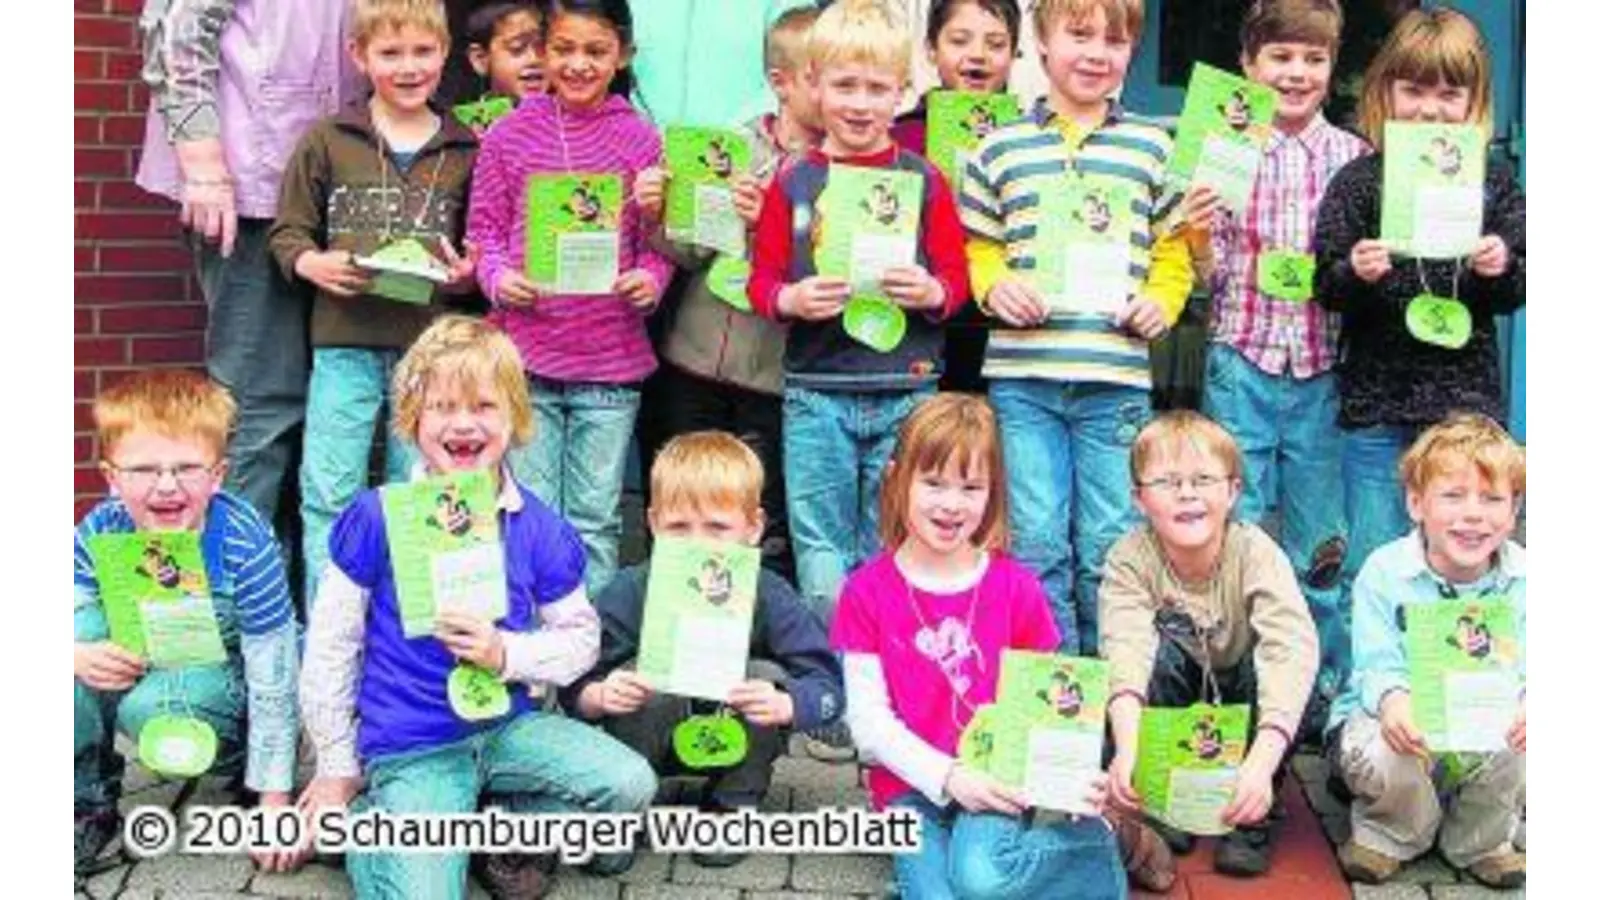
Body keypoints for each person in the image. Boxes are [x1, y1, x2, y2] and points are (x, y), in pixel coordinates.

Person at [297, 315, 657, 899]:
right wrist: (337, 764)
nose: (463, 423)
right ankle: (371, 830)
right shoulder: (377, 516)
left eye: (485, 407)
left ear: (516, 419)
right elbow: (332, 643)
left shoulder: (539, 526)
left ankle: (488, 831)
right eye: (442, 407)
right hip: (415, 745)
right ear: (413, 422)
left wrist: (506, 653)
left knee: (630, 787)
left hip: (508, 729)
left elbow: (579, 638)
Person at [958, 0, 1193, 654]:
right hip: (1023, 381)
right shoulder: (997, 147)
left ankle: (1114, 691)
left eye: (1114, 41)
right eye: (1079, 34)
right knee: (1034, 543)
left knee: (1109, 544)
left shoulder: (1154, 147)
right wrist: (994, 285)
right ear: (1039, 40)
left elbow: (1174, 249)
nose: (1096, 53)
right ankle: (1051, 699)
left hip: (1112, 380)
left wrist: (1161, 301)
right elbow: (980, 244)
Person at [832, 393, 1124, 897]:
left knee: (982, 881)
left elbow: (1051, 704)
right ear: (896, 478)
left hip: (998, 775)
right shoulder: (865, 591)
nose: (951, 504)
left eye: (971, 487)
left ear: (993, 494)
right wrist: (948, 778)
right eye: (933, 483)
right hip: (908, 789)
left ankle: (1093, 851)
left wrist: (1074, 777)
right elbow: (869, 725)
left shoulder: (1016, 588)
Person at [747, 0, 971, 624]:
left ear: (903, 91)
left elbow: (957, 280)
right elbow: (760, 281)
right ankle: (830, 685)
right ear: (813, 84)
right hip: (817, 392)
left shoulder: (925, 181)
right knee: (820, 549)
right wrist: (790, 299)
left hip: (908, 389)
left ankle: (882, 675)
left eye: (877, 88)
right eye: (844, 85)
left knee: (893, 543)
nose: (860, 103)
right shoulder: (792, 182)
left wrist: (930, 292)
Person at [1181, 0, 1370, 724]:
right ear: (1249, 64)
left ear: (1331, 67)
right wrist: (1197, 237)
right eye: (1280, 57)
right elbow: (1207, 280)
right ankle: (1237, 688)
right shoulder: (1223, 149)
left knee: (1321, 540)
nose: (1296, 73)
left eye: (1312, 59)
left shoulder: (1353, 158)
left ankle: (1315, 698)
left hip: (1322, 366)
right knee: (1237, 528)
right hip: (1243, 359)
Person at [268, 0, 479, 609]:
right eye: (391, 53)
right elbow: (287, 232)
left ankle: (403, 625)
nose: (408, 67)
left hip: (430, 356)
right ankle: (331, 627)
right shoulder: (330, 140)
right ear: (359, 56)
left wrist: (467, 277)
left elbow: (483, 247)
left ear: (444, 54)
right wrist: (311, 263)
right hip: (343, 345)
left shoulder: (467, 147)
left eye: (422, 51)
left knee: (417, 490)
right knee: (330, 490)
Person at [466, 0, 675, 596]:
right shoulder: (509, 134)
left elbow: (659, 244)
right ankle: (533, 651)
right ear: (543, 51)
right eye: (564, 49)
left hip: (610, 366)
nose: (578, 64)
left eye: (595, 51)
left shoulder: (641, 139)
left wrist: (652, 279)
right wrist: (499, 278)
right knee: (529, 514)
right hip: (526, 360)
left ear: (623, 56)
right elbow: (483, 231)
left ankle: (593, 656)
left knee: (596, 520)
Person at [563, 431, 844, 869]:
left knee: (765, 676)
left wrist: (788, 703)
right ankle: (631, 801)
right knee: (638, 671)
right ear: (653, 524)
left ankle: (732, 803)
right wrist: (596, 696)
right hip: (649, 734)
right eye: (679, 527)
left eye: (717, 527)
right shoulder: (631, 589)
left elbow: (828, 685)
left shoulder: (770, 594)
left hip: (734, 729)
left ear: (753, 528)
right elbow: (575, 675)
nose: (698, 543)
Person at [1312, 5, 1525, 578]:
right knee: (1375, 558)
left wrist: (1499, 264)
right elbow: (1325, 284)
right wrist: (1355, 270)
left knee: (1462, 554)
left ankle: (1451, 668)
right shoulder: (1359, 180)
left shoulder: (1493, 182)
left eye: (1449, 93)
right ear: (1386, 92)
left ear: (1475, 103)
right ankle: (1373, 669)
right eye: (1413, 90)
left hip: (1463, 407)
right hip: (1376, 403)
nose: (1430, 107)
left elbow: (1520, 287)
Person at [135, 0, 355, 531]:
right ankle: (238, 588)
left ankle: (298, 593)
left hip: (336, 184)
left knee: (332, 408)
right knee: (260, 403)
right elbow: (180, 32)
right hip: (248, 186)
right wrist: (203, 164)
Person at [74, 371, 299, 878]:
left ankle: (239, 763)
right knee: (73, 635)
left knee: (154, 712)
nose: (167, 485)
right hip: (144, 656)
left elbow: (274, 671)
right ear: (111, 477)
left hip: (223, 674)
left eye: (186, 468)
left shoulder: (244, 541)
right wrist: (75, 655)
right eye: (145, 469)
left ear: (218, 475)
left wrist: (275, 799)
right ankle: (85, 799)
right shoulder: (101, 527)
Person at [631, 5, 824, 582]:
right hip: (692, 360)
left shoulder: (845, 167)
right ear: (780, 83)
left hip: (777, 376)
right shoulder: (730, 147)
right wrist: (659, 214)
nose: (837, 91)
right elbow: (685, 252)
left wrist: (769, 223)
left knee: (757, 529)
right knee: (677, 512)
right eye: (820, 75)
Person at [1099, 411, 1319, 877]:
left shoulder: (1257, 552)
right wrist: (1127, 747)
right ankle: (1163, 790)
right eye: (1166, 481)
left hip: (1244, 695)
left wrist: (1261, 762)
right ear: (1138, 498)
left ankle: (1254, 808)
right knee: (1147, 659)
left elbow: (1290, 647)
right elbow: (1125, 646)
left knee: (1293, 676)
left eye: (1203, 479)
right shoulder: (1128, 559)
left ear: (1233, 491)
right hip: (1175, 694)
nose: (1187, 493)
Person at [1324, 413, 1526, 890]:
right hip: (1400, 722)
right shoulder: (1384, 571)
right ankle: (1391, 832)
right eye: (1453, 496)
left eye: (1492, 498)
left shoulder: (1529, 579)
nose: (1473, 514)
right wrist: (1395, 701)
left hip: (1483, 722)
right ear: (1416, 503)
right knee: (1387, 746)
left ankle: (1480, 840)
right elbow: (1375, 664)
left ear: (1514, 511)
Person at [891, 0, 1023, 395]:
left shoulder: (1032, 140)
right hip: (919, 326)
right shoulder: (900, 139)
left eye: (996, 43)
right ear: (932, 49)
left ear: (1015, 52)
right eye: (959, 40)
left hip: (1006, 326)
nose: (978, 55)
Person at [464, 1, 547, 110]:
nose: (534, 59)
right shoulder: (463, 124)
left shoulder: (569, 118)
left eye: (542, 47)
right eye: (517, 48)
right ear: (480, 59)